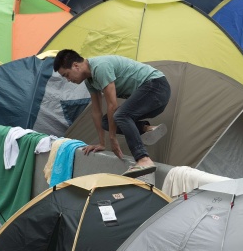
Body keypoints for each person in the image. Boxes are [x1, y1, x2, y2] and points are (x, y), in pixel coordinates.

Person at [54, 49, 170, 177]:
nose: (68, 80)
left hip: (157, 87)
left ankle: (143, 159)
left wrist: (112, 138)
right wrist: (102, 143)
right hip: (152, 98)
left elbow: (112, 105)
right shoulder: (90, 81)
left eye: (66, 75)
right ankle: (147, 128)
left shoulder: (100, 67)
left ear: (76, 66)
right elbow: (96, 111)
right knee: (106, 122)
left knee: (120, 115)